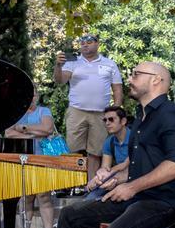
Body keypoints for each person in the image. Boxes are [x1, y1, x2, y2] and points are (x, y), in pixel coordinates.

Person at [32, 62, 175, 228]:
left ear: (156, 80)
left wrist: (132, 186)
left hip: (165, 203)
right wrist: (115, 179)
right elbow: (143, 167)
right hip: (138, 199)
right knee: (70, 215)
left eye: (136, 74)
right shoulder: (141, 119)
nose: (130, 78)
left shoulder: (171, 115)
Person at [53, 34, 123, 181]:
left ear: (98, 44)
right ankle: (73, 185)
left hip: (101, 114)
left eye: (89, 42)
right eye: (82, 42)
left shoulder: (109, 64)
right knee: (73, 149)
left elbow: (117, 89)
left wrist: (115, 111)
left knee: (96, 152)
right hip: (77, 111)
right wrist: (58, 66)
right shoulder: (72, 62)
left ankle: (91, 186)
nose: (85, 45)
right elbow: (60, 80)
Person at [4, 93, 55, 228]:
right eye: (29, 95)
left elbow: (47, 129)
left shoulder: (44, 111)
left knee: (43, 196)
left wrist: (24, 129)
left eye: (33, 95)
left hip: (41, 159)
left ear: (36, 96)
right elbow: (8, 133)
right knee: (26, 198)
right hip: (22, 160)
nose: (31, 98)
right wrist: (34, 133)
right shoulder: (16, 113)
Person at [84, 106, 130, 201]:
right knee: (89, 200)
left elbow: (125, 165)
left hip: (134, 178)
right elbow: (105, 168)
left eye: (111, 119)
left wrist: (107, 175)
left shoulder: (135, 138)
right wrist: (99, 176)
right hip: (115, 177)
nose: (107, 123)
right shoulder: (109, 141)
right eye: (105, 120)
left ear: (123, 121)